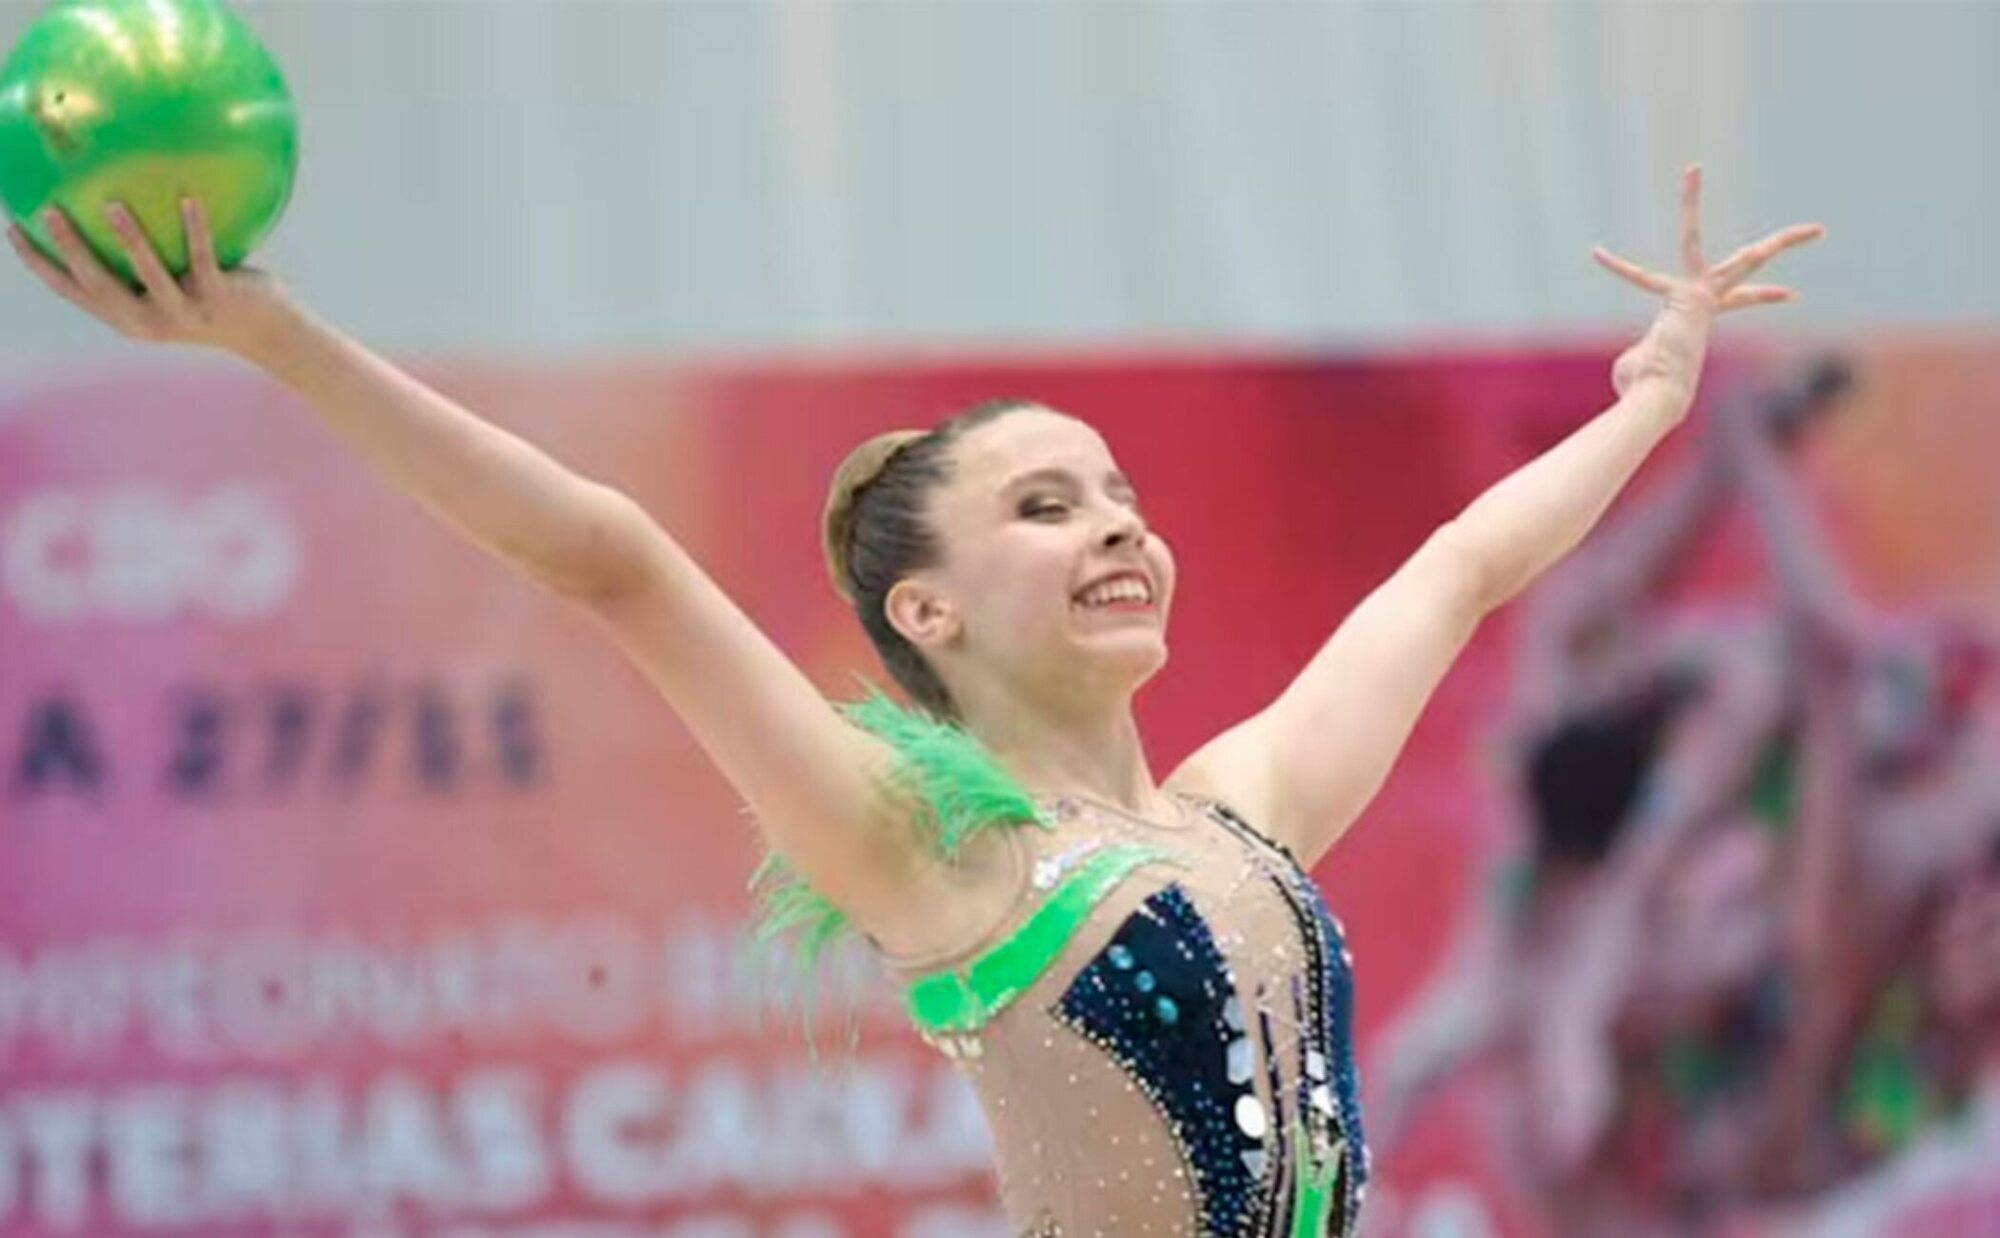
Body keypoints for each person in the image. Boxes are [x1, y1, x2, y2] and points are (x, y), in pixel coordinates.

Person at [7, 167, 1821, 1237]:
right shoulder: (933, 858)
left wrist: (1654, 395)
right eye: (1046, 505)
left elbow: (1457, 568)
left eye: (1119, 491)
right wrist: (273, 337)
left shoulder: (1239, 806)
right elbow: (616, 556)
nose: (1115, 521)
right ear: (924, 607)